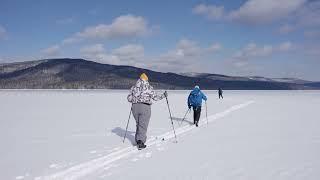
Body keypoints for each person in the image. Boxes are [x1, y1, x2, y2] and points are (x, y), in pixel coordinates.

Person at [127, 73, 167, 150]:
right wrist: (164, 95)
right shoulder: (148, 87)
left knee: (139, 124)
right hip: (145, 107)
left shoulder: (134, 87)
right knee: (143, 125)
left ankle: (138, 139)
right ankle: (140, 142)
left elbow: (129, 98)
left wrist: (135, 99)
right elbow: (155, 97)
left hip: (135, 107)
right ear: (146, 79)